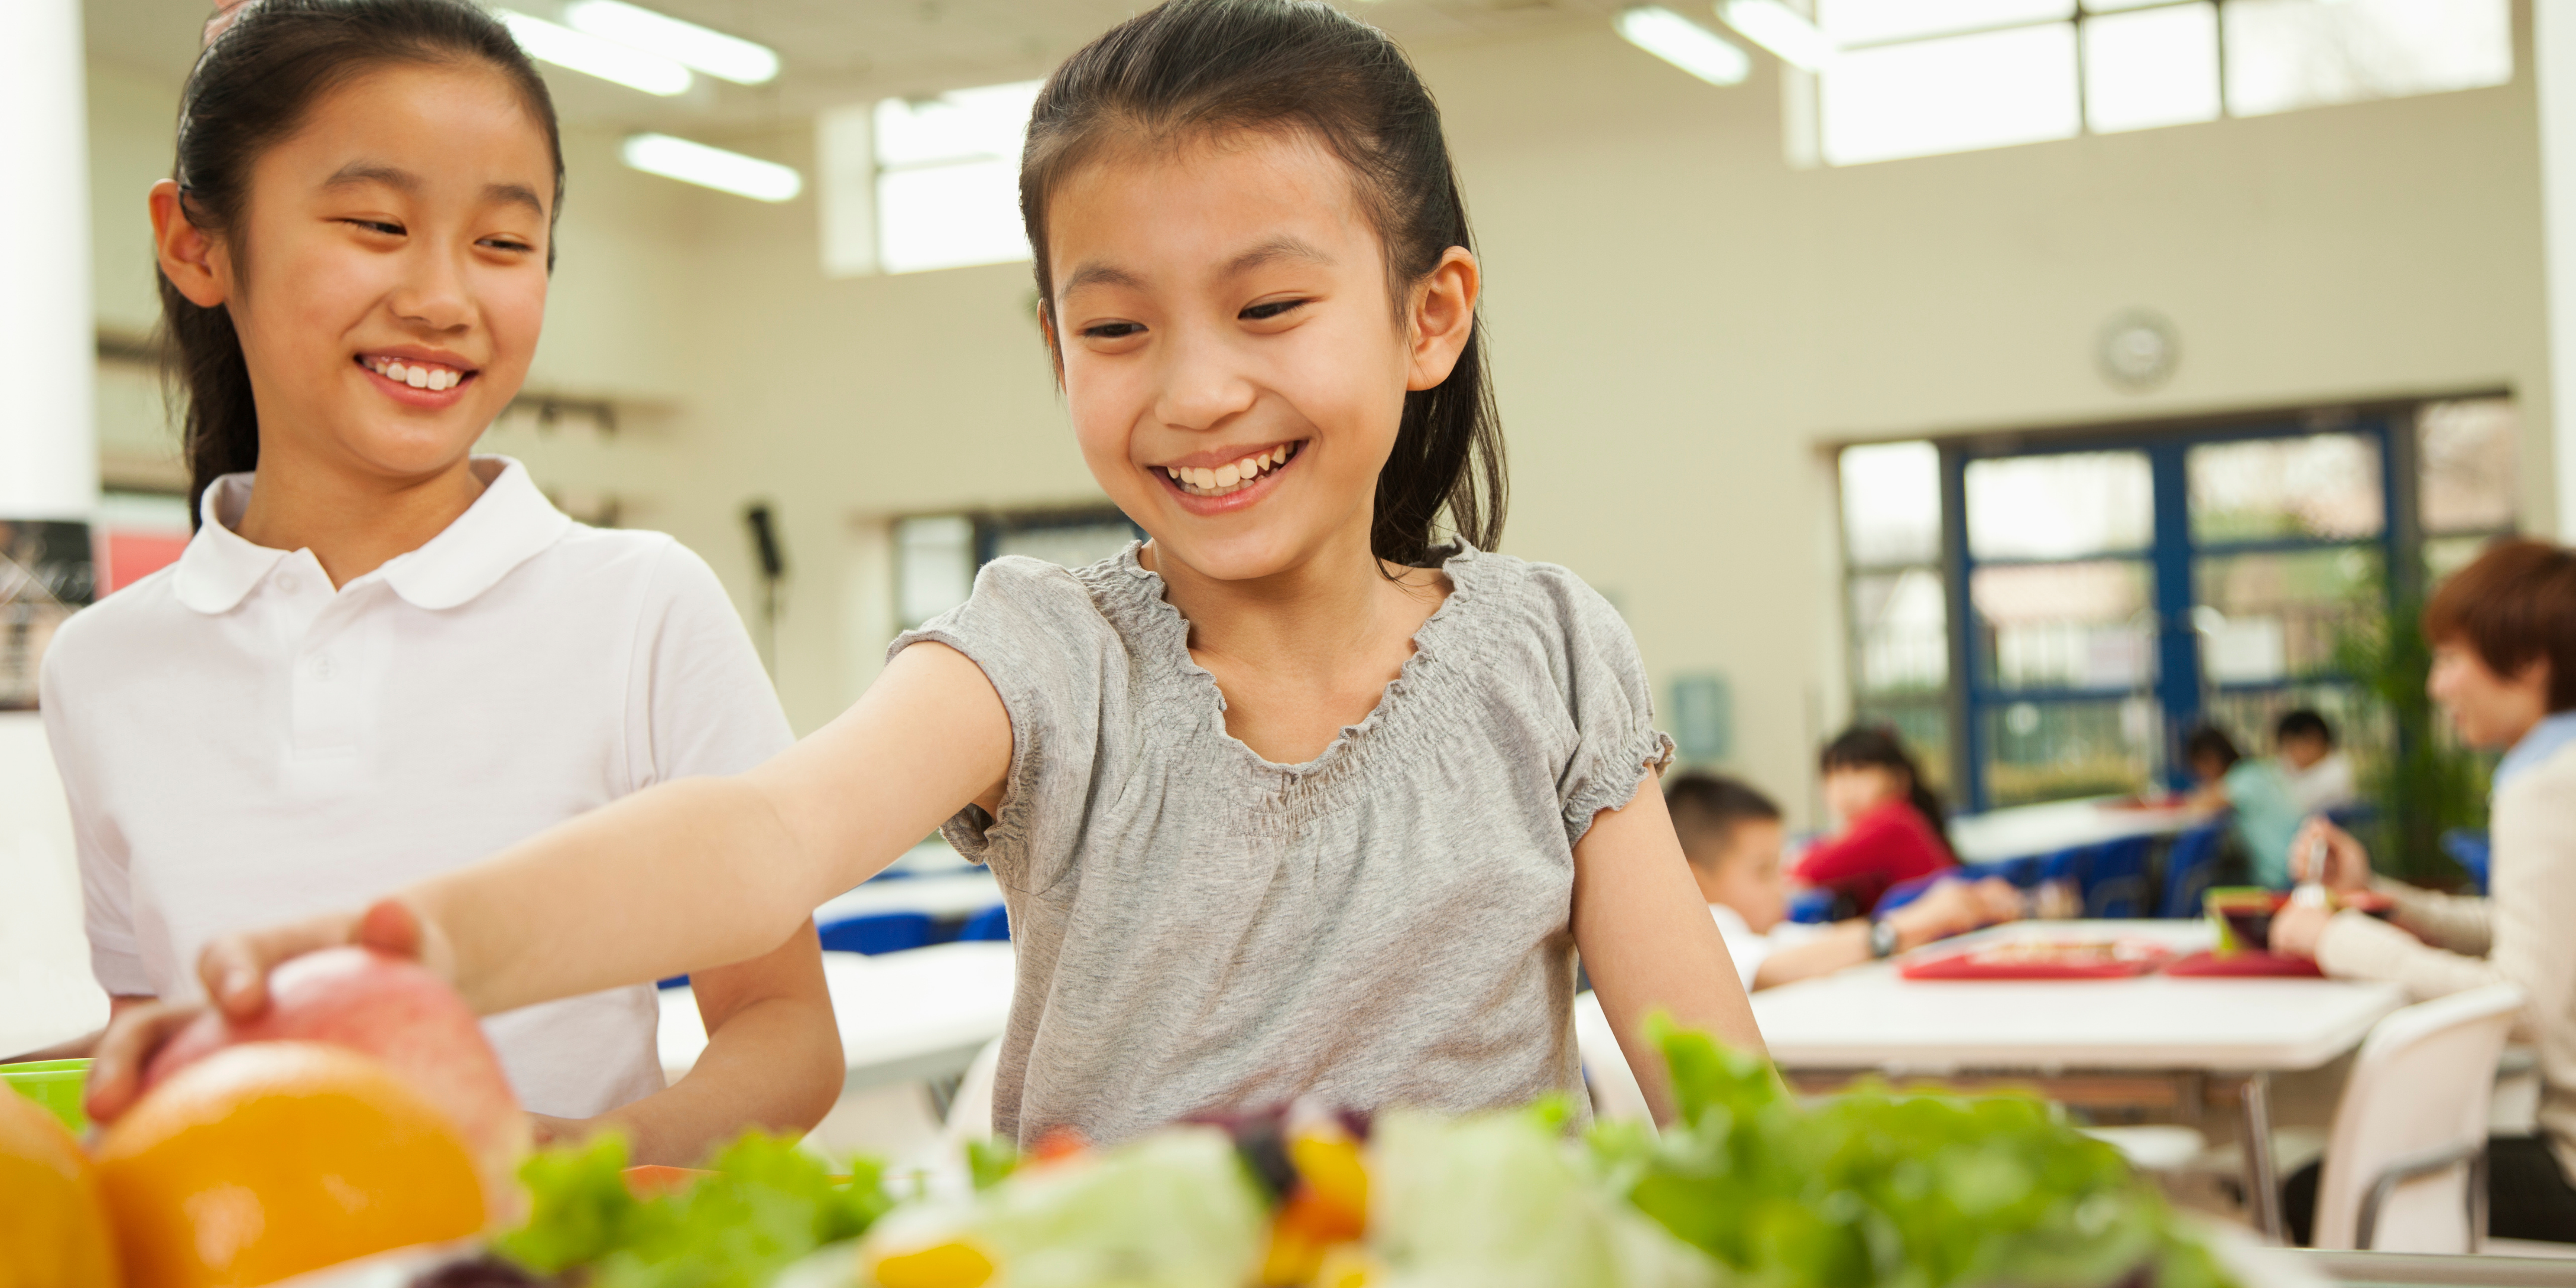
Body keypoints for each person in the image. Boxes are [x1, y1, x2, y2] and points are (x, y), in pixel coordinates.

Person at [87, 0, 1762, 1145]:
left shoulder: (1544, 651)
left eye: (1266, 309)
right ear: (1055, 347)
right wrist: (412, 942)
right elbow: (761, 835)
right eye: (1115, 327)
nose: (1192, 390)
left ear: (1426, 314)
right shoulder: (1039, 652)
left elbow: (1711, 1089)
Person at [43, 0, 840, 1165]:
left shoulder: (640, 607)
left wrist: (593, 1160)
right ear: (196, 242)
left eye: (505, 244)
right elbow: (144, 1035)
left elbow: (783, 1026)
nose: (443, 296)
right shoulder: (103, 665)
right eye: (377, 222)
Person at [2269, 539, 2576, 1244]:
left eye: (2450, 658)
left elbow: (2524, 1003)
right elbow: (2538, 933)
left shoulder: (2545, 783)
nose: (2437, 687)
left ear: (2528, 662)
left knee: (2309, 1193)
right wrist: (2381, 897)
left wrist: (2338, 939)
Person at [1668, 773, 2021, 991]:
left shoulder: (1765, 934)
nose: (1781, 888)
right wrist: (1917, 920)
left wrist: (1945, 912)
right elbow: (1771, 969)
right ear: (1695, 881)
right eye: (1763, 872)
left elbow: (1825, 945)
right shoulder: (1702, 932)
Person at [1788, 726, 1957, 915]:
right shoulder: (1901, 818)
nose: (1844, 786)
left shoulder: (1892, 821)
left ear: (1896, 779)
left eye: (1858, 771)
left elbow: (1809, 869)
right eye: (1832, 774)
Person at [2183, 723, 2304, 889]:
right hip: (2287, 869)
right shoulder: (2255, 772)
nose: (2199, 776)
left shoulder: (2244, 778)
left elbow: (2201, 805)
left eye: (2198, 768)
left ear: (2210, 758)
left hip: (2280, 877)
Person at [2275, 708, 2357, 815]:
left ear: (2315, 739)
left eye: (2292, 745)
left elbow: (2294, 806)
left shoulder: (2336, 771)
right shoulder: (2296, 770)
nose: (2290, 754)